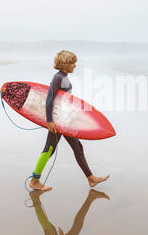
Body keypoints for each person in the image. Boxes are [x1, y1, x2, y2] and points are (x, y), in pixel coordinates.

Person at [29, 50, 110, 191]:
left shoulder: (63, 77)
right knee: (49, 149)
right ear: (65, 63)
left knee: (77, 147)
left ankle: (91, 178)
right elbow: (49, 98)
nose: (75, 65)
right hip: (58, 120)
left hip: (64, 119)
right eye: (73, 63)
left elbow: (64, 100)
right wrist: (50, 121)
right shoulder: (58, 77)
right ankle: (35, 180)